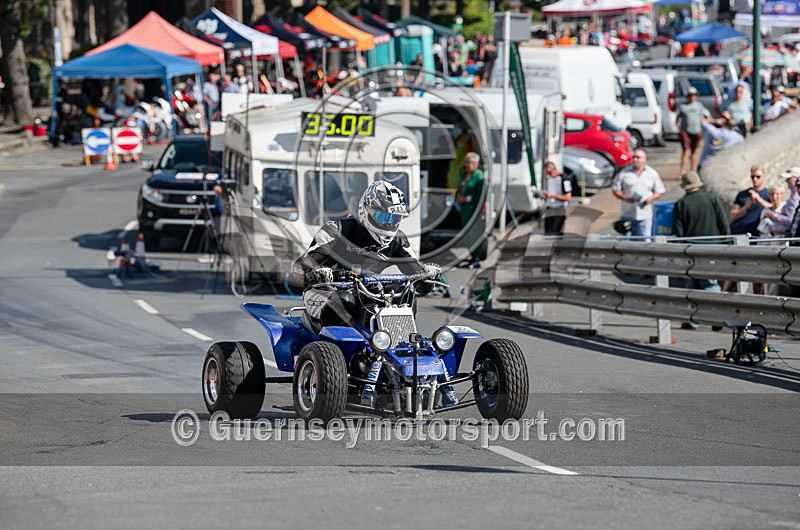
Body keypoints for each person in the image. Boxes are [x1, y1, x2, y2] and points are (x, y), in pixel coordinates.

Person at [612, 149, 665, 238]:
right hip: (628, 213)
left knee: (645, 240)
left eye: (638, 157)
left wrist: (650, 198)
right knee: (626, 242)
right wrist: (625, 197)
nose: (635, 159)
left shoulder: (652, 173)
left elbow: (659, 190)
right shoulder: (624, 173)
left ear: (644, 159)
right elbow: (615, 189)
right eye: (633, 157)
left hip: (645, 214)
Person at [455, 152, 486, 268]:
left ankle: (476, 257)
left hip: (474, 208)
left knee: (474, 233)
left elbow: (480, 195)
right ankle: (472, 256)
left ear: (477, 164)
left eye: (472, 163)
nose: (469, 165)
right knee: (467, 233)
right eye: (468, 162)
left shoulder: (479, 176)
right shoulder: (464, 175)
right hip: (465, 209)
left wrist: (466, 198)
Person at [676, 87, 711, 175]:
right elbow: (677, 119)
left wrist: (714, 121)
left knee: (694, 152)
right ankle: (682, 171)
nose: (692, 97)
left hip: (696, 131)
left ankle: (693, 170)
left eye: (694, 95)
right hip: (686, 131)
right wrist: (680, 129)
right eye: (690, 95)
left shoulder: (699, 105)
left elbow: (703, 118)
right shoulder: (682, 106)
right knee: (685, 151)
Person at [729, 165, 769, 235]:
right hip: (738, 231)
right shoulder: (742, 194)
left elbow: (775, 208)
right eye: (752, 177)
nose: (755, 179)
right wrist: (746, 207)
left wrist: (759, 200)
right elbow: (733, 216)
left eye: (758, 177)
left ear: (764, 177)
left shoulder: (769, 194)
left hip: (756, 234)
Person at [760, 168, 800, 237]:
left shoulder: (795, 197)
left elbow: (790, 220)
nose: (786, 180)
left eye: (789, 178)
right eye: (772, 194)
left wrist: (773, 215)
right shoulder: (794, 196)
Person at [541, 161, 573, 235]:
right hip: (549, 208)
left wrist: (552, 196)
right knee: (547, 233)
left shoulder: (564, 179)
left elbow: (568, 198)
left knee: (556, 234)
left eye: (549, 173)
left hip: (559, 209)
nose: (548, 175)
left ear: (553, 169)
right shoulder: (549, 179)